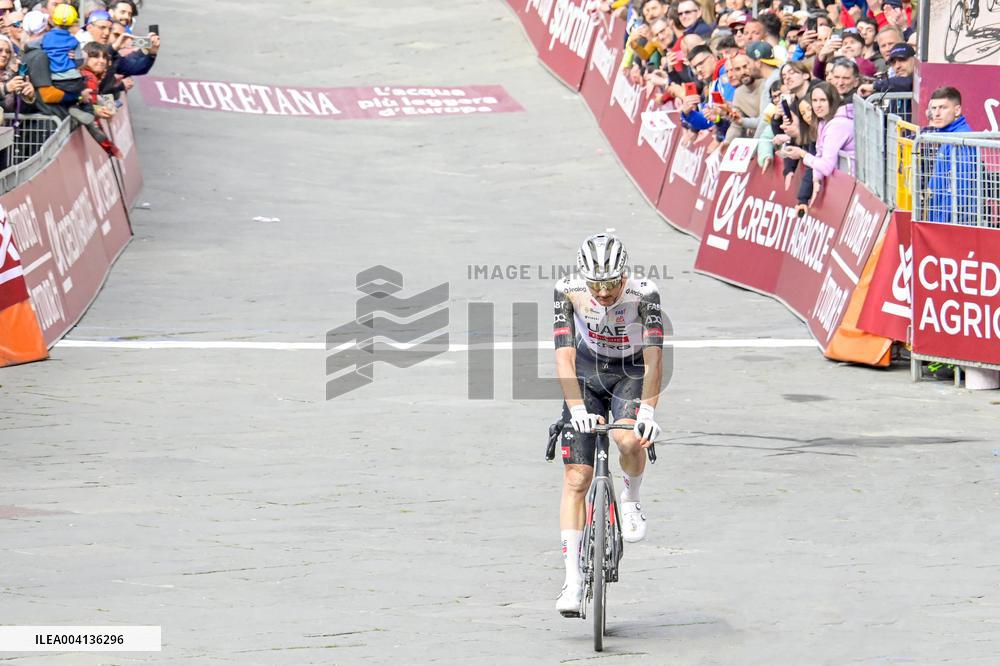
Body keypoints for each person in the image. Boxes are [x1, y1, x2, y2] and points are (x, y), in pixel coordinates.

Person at [553, 232, 663, 617]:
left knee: (628, 440)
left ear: (624, 274)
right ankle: (572, 581)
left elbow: (654, 358)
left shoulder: (644, 293)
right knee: (576, 478)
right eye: (595, 285)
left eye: (611, 284)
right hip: (586, 374)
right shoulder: (567, 290)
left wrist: (647, 413)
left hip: (629, 373)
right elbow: (564, 357)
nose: (602, 293)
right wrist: (576, 408)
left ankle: (631, 501)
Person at [782, 81, 855, 192]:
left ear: (832, 101)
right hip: (842, 184)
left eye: (823, 100)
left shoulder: (837, 125)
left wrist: (802, 154)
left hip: (851, 184)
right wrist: (816, 180)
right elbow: (819, 155)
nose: (818, 105)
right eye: (814, 101)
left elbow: (826, 167)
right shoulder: (823, 122)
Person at [924, 86, 976, 224]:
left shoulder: (961, 140)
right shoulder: (947, 135)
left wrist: (941, 223)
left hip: (953, 224)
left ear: (957, 110)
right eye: (934, 108)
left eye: (943, 107)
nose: (937, 113)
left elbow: (960, 190)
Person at [0, 35, 35, 112]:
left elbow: (22, 111)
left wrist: (28, 96)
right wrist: (5, 89)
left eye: (8, 52)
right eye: (0, 50)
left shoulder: (13, 76)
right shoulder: (9, 84)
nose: (4, 55)